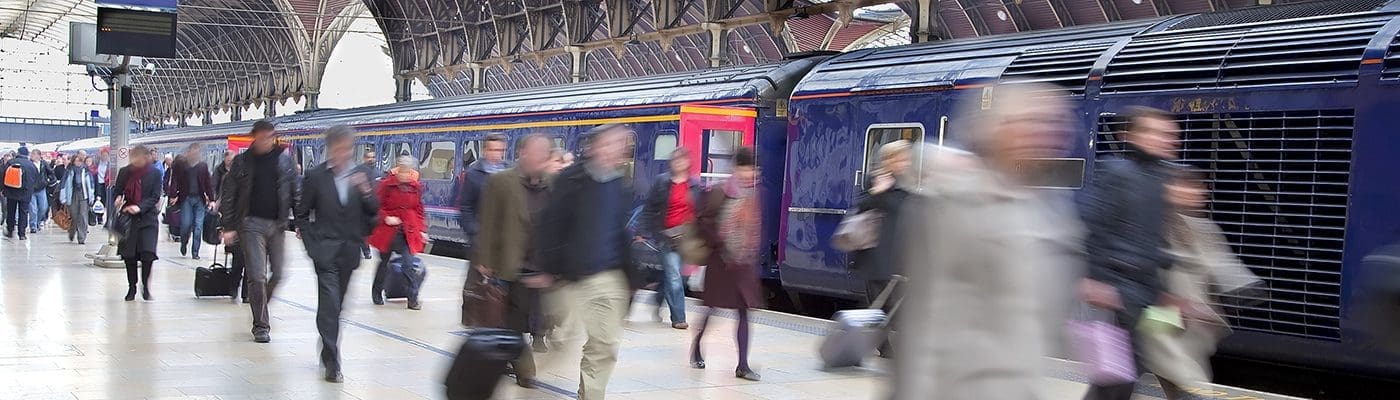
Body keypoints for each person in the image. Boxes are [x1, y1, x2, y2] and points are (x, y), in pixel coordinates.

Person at [893, 83, 1086, 400]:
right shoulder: (953, 202)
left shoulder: (1050, 210)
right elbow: (924, 314)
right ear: (996, 129)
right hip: (959, 386)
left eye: (1053, 123)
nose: (1044, 133)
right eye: (1031, 122)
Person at [1079, 106, 1198, 400]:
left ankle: (1181, 391)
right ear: (1129, 136)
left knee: (1134, 365)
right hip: (1120, 291)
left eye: (1170, 134)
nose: (1167, 139)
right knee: (1122, 371)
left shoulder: (1161, 178)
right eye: (1155, 133)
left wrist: (1170, 294)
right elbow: (1093, 226)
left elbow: (1154, 240)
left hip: (1149, 291)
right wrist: (1095, 278)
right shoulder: (1115, 172)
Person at [533, 124, 639, 400]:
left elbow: (621, 233)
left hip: (608, 275)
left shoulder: (620, 184)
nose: (619, 149)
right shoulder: (571, 179)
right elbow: (550, 224)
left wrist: (631, 279)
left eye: (622, 144)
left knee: (605, 343)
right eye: (612, 143)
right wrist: (547, 268)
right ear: (595, 147)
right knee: (562, 345)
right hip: (570, 277)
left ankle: (591, 395)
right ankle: (530, 383)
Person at [1141, 169, 1258, 400]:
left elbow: (1224, 266)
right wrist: (1179, 309)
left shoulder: (1204, 229)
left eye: (1198, 187)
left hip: (1190, 332)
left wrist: (1244, 288)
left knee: (1176, 382)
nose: (1196, 192)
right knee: (1190, 384)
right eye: (1185, 185)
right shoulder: (1150, 227)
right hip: (1158, 323)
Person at [295, 126, 379, 383]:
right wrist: (312, 245)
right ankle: (333, 362)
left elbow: (374, 210)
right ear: (330, 149)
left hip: (349, 251)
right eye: (339, 149)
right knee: (330, 304)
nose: (344, 154)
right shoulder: (315, 176)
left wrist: (365, 191)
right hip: (325, 251)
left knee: (338, 305)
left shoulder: (362, 174)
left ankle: (327, 344)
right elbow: (301, 214)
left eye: (348, 149)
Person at [474, 133, 555, 388]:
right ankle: (524, 370)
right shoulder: (501, 181)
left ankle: (510, 359)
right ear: (522, 153)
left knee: (539, 319)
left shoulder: (553, 183)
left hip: (541, 266)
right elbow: (488, 222)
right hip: (511, 263)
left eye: (544, 155)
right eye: (535, 153)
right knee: (514, 321)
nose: (539, 159)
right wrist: (484, 259)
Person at [220, 119, 300, 343]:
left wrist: (300, 222)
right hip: (250, 224)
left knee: (279, 274)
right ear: (254, 137)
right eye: (262, 136)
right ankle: (261, 325)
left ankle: (260, 304)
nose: (266, 140)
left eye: (270, 136)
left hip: (278, 225)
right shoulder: (242, 162)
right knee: (256, 275)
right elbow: (229, 194)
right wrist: (227, 226)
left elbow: (296, 191)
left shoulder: (285, 161)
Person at [688, 147, 763, 381]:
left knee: (743, 312)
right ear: (735, 168)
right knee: (712, 308)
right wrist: (720, 242)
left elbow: (754, 226)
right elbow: (701, 222)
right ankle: (696, 346)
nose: (748, 173)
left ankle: (742, 365)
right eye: (744, 168)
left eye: (751, 168)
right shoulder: (720, 192)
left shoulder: (754, 194)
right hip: (721, 261)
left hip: (743, 264)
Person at [852, 140, 913, 357]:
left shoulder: (904, 186)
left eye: (907, 158)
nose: (906, 162)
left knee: (896, 305)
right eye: (901, 158)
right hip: (876, 255)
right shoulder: (875, 181)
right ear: (890, 160)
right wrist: (877, 192)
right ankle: (882, 346)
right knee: (882, 305)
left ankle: (884, 344)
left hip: (896, 254)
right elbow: (860, 207)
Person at [641, 146, 702, 330]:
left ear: (687, 162)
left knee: (679, 279)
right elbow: (650, 208)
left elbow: (700, 211)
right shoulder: (662, 182)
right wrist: (647, 231)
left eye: (682, 160)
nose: (679, 163)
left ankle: (658, 297)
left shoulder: (694, 185)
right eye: (675, 160)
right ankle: (678, 318)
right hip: (667, 237)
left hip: (687, 239)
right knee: (674, 277)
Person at [368, 156, 428, 309]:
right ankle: (376, 292)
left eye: (407, 172)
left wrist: (421, 230)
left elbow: (419, 210)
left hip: (407, 231)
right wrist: (386, 217)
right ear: (397, 170)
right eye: (402, 171)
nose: (405, 175)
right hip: (388, 232)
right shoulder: (387, 185)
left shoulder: (415, 187)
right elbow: (375, 206)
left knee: (408, 264)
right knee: (384, 263)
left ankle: (413, 299)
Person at [113, 146, 164, 302]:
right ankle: (132, 287)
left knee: (147, 254)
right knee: (130, 256)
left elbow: (155, 196)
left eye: (139, 158)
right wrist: (118, 199)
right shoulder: (124, 172)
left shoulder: (155, 173)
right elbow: (118, 190)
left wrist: (140, 207)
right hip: (128, 219)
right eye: (133, 158)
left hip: (148, 218)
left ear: (146, 158)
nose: (136, 161)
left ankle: (146, 286)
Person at [457, 133, 508, 256]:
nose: (497, 154)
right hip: (481, 241)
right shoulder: (473, 174)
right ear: (485, 150)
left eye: (500, 150)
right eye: (493, 150)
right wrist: (475, 233)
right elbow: (465, 207)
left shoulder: (511, 171)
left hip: (505, 239)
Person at [168, 144, 217, 259]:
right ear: (189, 152)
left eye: (198, 151)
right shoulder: (182, 166)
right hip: (186, 199)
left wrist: (212, 199)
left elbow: (207, 183)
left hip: (199, 200)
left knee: (198, 226)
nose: (196, 153)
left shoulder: (203, 166)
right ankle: (184, 242)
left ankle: (195, 252)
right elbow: (175, 180)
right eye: (194, 151)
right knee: (186, 224)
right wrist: (173, 195)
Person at [212, 150, 246, 303]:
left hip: (252, 226)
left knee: (253, 263)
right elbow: (226, 203)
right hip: (236, 225)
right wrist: (226, 227)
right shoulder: (228, 179)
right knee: (239, 259)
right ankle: (234, 286)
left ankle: (247, 293)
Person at [4, 147, 42, 239]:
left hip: (11, 190)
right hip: (26, 192)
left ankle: (10, 230)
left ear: (18, 153)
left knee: (11, 211)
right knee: (24, 212)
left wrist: (3, 189)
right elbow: (37, 180)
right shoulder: (31, 165)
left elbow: (3, 175)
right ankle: (22, 234)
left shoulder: (11, 162)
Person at [60, 153, 97, 244]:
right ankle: (72, 231)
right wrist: (63, 197)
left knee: (83, 216)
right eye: (76, 161)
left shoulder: (86, 171)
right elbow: (64, 184)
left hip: (84, 195)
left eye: (80, 161)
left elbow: (91, 184)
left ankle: (81, 238)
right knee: (74, 216)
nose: (78, 163)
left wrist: (91, 196)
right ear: (73, 162)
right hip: (72, 195)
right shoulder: (69, 171)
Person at [360, 150, 381, 259]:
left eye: (373, 157)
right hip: (362, 206)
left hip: (374, 205)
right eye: (368, 157)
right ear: (364, 158)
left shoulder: (378, 172)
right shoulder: (360, 171)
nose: (371, 159)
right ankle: (366, 251)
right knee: (363, 231)